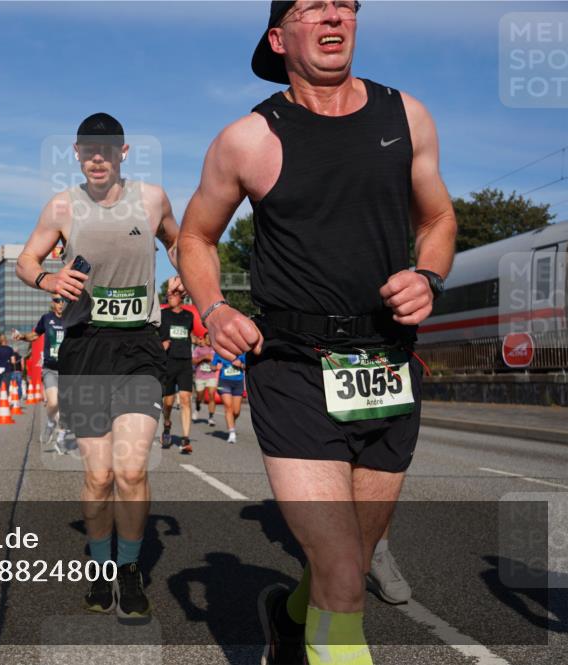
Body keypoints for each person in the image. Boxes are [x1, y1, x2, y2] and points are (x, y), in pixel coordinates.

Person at [178, 3, 456, 662]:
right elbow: (194, 237)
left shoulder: (406, 116)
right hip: (294, 366)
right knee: (339, 571)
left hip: (387, 362)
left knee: (351, 564)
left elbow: (440, 215)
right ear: (279, 38)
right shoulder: (247, 139)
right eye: (312, 7)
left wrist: (430, 275)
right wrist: (215, 308)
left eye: (345, 5)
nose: (334, 17)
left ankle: (285, 616)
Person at [16, 112, 181, 619]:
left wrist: (185, 278)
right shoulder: (62, 207)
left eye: (107, 149)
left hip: (139, 348)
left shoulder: (152, 199)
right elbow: (26, 262)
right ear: (77, 152)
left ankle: (128, 570)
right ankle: (101, 565)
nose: (98, 157)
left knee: (131, 471)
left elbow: (181, 243)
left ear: (124, 153)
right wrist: (48, 281)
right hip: (87, 348)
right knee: (99, 476)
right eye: (89, 149)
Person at [13, 297, 66, 453]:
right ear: (52, 302)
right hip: (50, 368)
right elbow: (35, 335)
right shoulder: (46, 318)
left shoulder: (72, 318)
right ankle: (50, 422)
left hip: (67, 368)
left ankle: (61, 439)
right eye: (57, 300)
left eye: (63, 301)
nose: (60, 304)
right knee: (53, 402)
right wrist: (22, 336)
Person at [159, 288, 195, 454]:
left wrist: (199, 341)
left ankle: (185, 439)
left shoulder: (189, 316)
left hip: (185, 361)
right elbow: (155, 334)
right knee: (168, 402)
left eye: (173, 295)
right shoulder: (163, 314)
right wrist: (161, 345)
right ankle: (167, 423)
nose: (170, 298)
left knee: (186, 399)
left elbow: (190, 335)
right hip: (169, 361)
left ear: (182, 297)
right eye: (168, 295)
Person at [211, 350, 245, 444]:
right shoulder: (219, 352)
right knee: (228, 407)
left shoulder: (241, 352)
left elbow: (248, 366)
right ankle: (232, 433)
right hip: (224, 382)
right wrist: (216, 367)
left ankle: (231, 423)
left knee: (236, 411)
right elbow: (212, 366)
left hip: (238, 383)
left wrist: (241, 365)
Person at [192, 334, 218, 428]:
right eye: (208, 338)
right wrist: (203, 357)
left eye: (211, 338)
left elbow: (217, 361)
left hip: (211, 376)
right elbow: (193, 361)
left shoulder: (215, 349)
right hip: (200, 376)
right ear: (204, 338)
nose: (209, 340)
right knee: (200, 396)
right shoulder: (198, 349)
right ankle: (197, 408)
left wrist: (214, 362)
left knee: (211, 395)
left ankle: (211, 418)